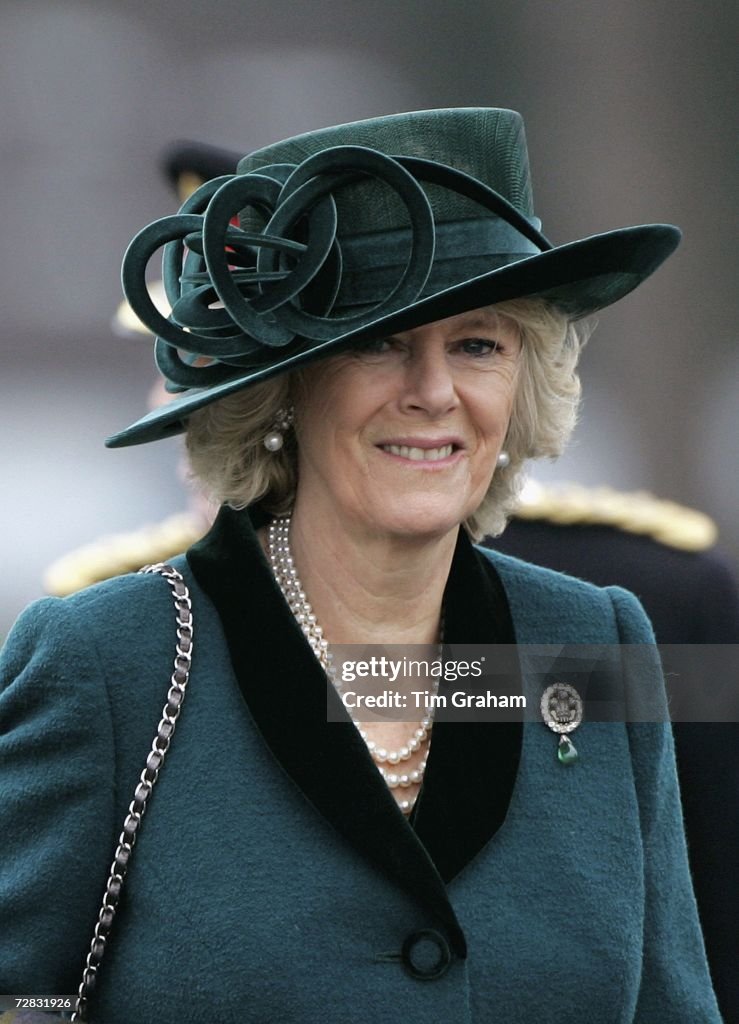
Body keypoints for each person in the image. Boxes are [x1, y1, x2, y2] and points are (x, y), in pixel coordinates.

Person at [0, 108, 722, 1022]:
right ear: (281, 388)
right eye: (376, 342)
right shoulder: (108, 664)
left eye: (477, 344)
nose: (432, 391)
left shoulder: (586, 642)